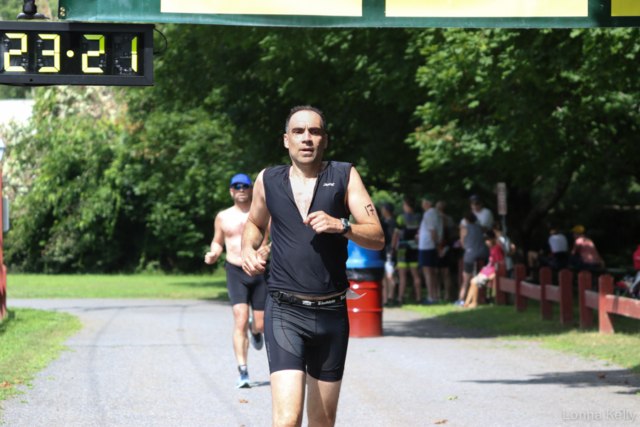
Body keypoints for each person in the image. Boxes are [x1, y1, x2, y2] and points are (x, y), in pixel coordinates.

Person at [240, 106, 384, 427]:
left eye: (315, 132)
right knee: (288, 419)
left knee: (322, 421)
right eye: (299, 131)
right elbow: (254, 222)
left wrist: (342, 225)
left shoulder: (345, 175)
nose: (307, 138)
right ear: (286, 140)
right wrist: (247, 247)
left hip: (332, 314)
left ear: (325, 140)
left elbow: (377, 237)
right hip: (285, 311)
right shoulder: (268, 179)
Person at [204, 173, 270, 389]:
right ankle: (243, 371)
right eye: (236, 186)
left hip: (260, 270)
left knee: (260, 323)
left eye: (245, 186)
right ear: (231, 191)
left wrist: (267, 250)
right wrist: (214, 253)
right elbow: (217, 241)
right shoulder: (223, 217)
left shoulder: (263, 213)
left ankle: (256, 329)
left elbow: (273, 240)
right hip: (235, 270)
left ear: (251, 190)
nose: (241, 189)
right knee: (239, 319)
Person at [391, 197, 423, 305]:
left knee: (402, 275)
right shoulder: (419, 217)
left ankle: (400, 298)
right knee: (415, 274)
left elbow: (396, 233)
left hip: (403, 248)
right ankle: (419, 298)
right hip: (414, 247)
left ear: (406, 205)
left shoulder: (401, 217)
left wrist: (392, 247)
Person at [455, 211, 489, 306]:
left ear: (466, 220)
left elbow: (463, 245)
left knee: (466, 278)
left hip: (470, 254)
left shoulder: (464, 228)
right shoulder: (480, 228)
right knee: (480, 276)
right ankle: (483, 297)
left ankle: (461, 299)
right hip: (483, 254)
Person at [464, 230, 504, 308]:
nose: (487, 242)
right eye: (485, 240)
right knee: (472, 281)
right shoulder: (491, 249)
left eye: (488, 240)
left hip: (491, 272)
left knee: (474, 282)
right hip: (486, 271)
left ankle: (474, 303)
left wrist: (495, 273)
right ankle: (466, 303)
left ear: (493, 238)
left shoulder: (497, 248)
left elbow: (500, 262)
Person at [418, 195, 442, 304]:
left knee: (428, 272)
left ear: (427, 203)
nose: (421, 203)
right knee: (432, 272)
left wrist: (437, 245)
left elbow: (433, 231)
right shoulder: (434, 213)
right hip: (429, 245)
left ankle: (431, 297)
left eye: (423, 201)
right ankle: (435, 295)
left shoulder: (429, 213)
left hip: (427, 246)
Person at [436, 201, 456, 301]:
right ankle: (447, 295)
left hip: (442, 246)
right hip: (448, 246)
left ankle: (440, 295)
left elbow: (442, 234)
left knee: (439, 272)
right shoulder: (450, 219)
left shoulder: (440, 218)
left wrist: (440, 248)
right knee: (446, 272)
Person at [380, 202, 397, 307]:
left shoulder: (389, 223)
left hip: (388, 250)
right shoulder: (390, 222)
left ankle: (389, 297)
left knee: (389, 274)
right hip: (388, 250)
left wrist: (392, 248)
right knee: (389, 274)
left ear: (385, 210)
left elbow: (394, 235)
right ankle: (389, 297)